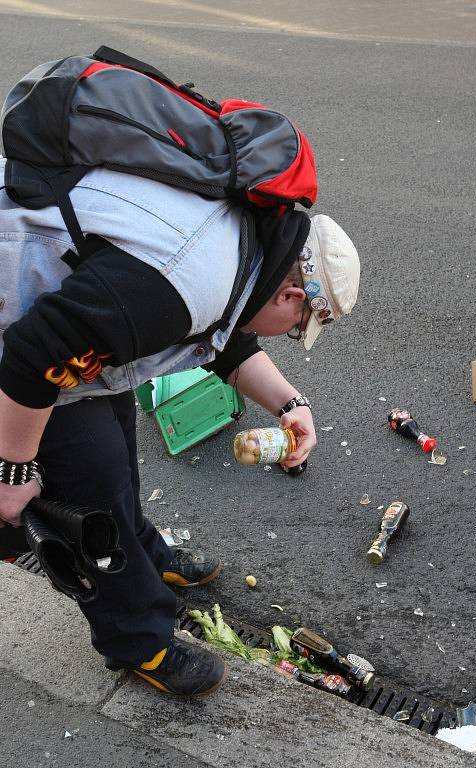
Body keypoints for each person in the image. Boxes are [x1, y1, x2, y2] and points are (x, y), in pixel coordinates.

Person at [0, 159, 360, 698]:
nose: (289, 332)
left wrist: (290, 402)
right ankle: (139, 642)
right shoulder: (191, 277)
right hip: (24, 334)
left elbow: (222, 334)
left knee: (115, 450)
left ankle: (146, 553)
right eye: (296, 329)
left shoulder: (244, 244)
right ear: (290, 295)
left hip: (61, 321)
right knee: (91, 497)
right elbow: (35, 354)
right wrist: (14, 466)